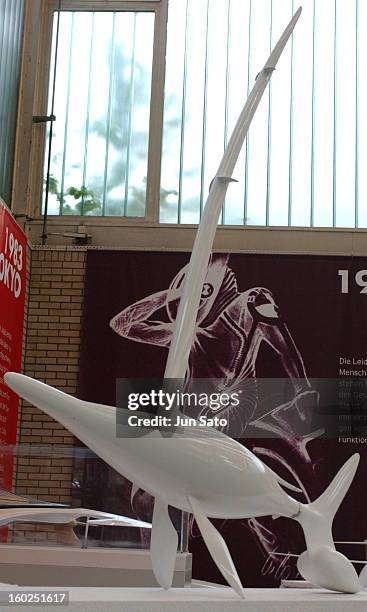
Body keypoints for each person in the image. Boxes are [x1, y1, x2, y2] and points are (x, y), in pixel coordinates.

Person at [110, 254, 319, 454]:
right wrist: (172, 294)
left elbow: (285, 350)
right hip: (192, 414)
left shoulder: (250, 303)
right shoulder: (186, 333)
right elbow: (120, 324)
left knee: (203, 452)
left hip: (236, 399)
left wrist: (303, 390)